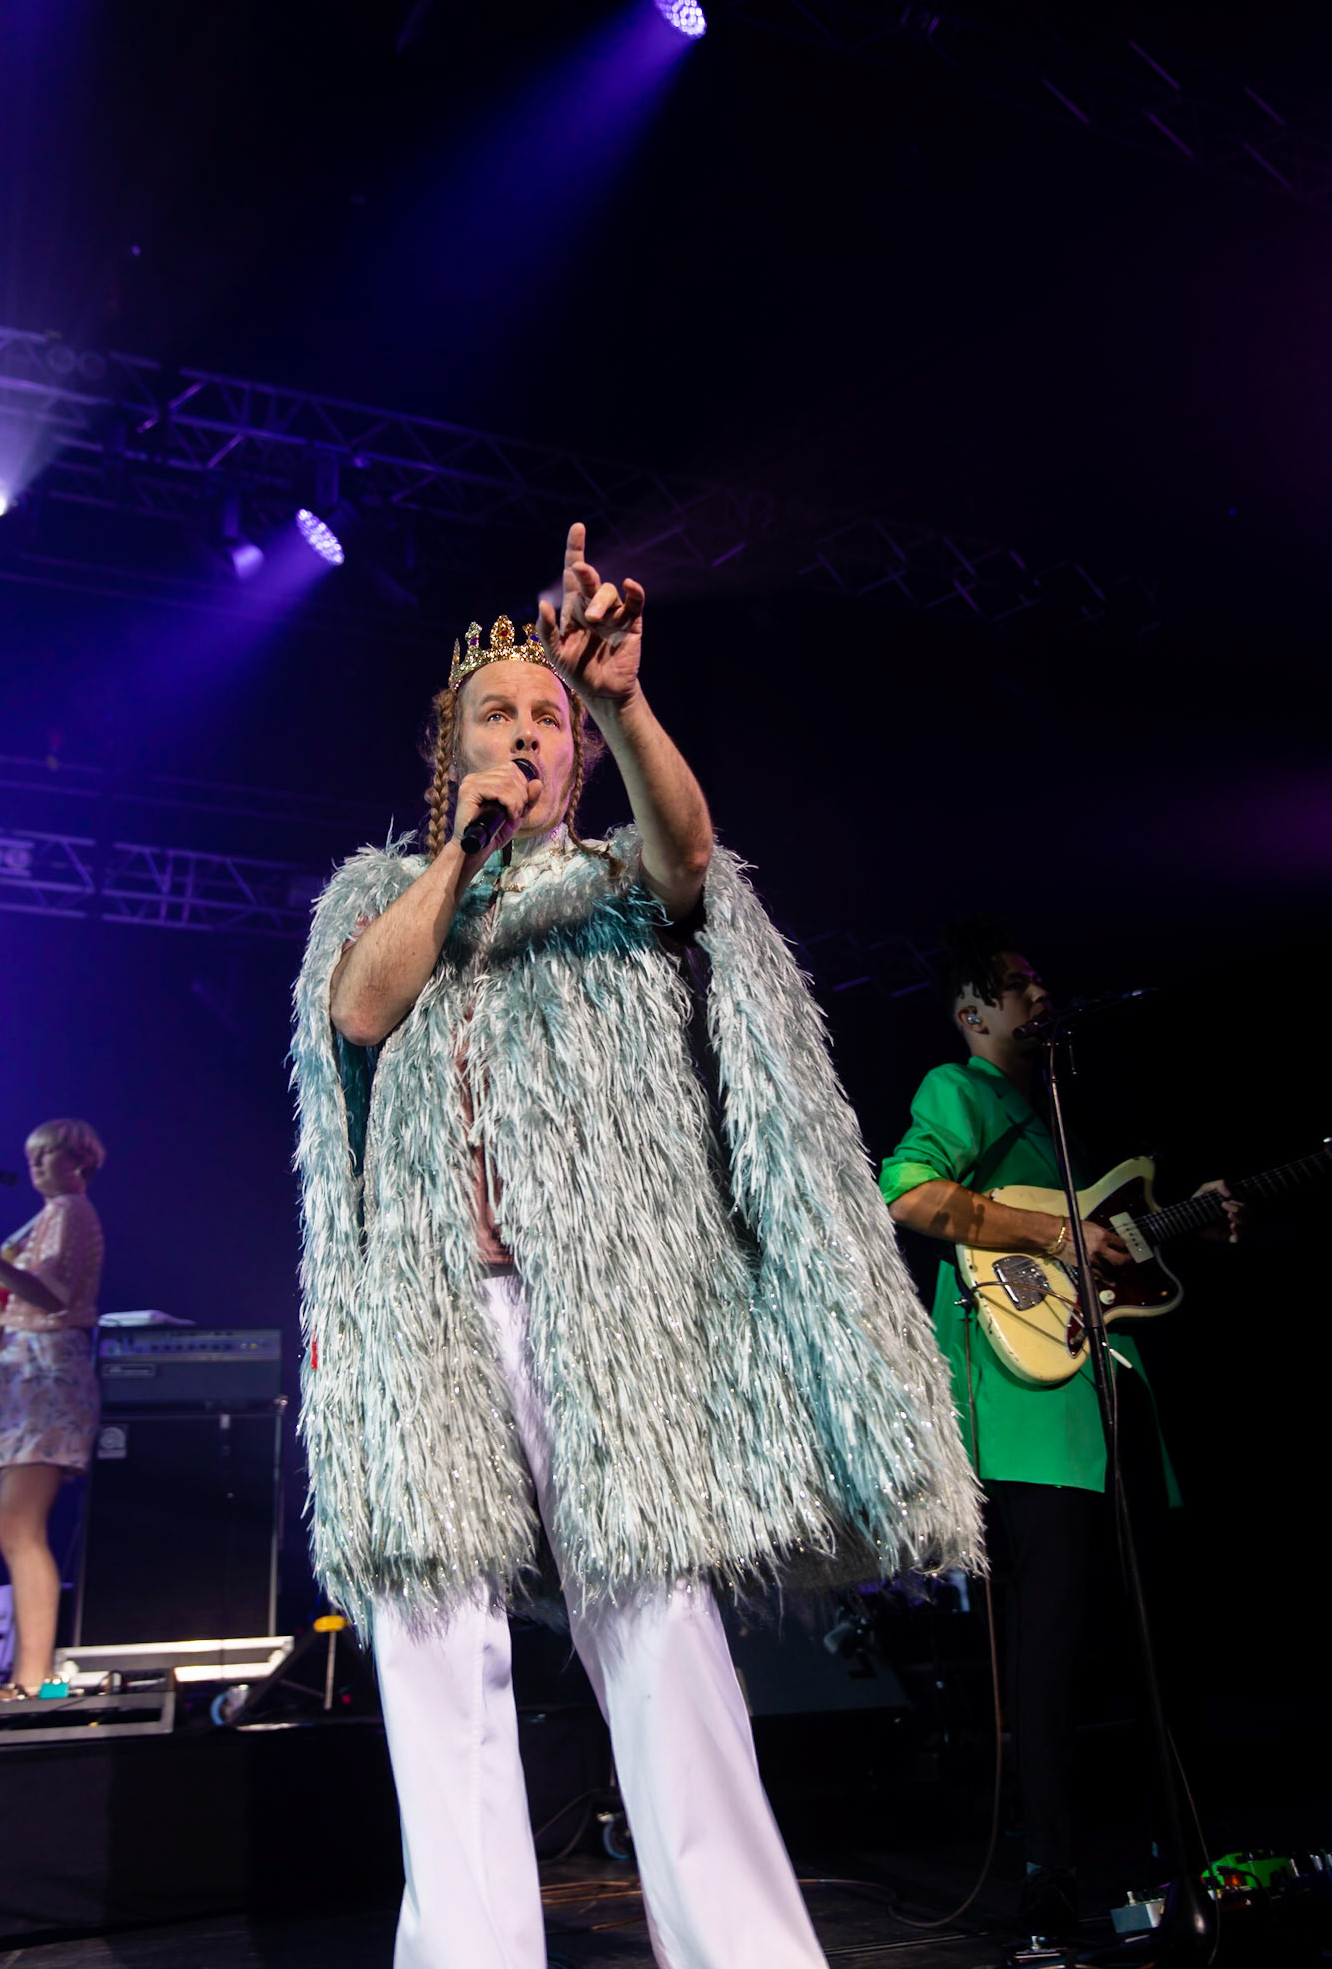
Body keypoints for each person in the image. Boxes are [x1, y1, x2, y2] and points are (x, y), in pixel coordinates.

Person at [292, 521, 981, 1969]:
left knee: (660, 1632)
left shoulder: (614, 889)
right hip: (427, 1327)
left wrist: (619, 696)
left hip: (603, 1317)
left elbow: (692, 868)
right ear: (453, 745)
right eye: (506, 713)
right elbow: (361, 1012)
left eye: (550, 718)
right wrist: (464, 851)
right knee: (430, 1643)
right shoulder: (376, 901)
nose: (531, 734)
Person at [878, 918, 1241, 1942]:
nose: (1041, 998)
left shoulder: (1062, 1117)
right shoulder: (959, 1094)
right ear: (971, 1012)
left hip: (1113, 1404)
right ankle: (1049, 1871)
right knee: (1049, 1653)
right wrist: (1048, 1230)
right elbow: (905, 1188)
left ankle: (1194, 1859)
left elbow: (1114, 1249)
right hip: (1031, 1415)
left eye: (1040, 983)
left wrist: (1191, 1224)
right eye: (1016, 986)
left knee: (1161, 1647)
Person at [0, 1118, 106, 1697]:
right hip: (25, 1380)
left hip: (48, 1377)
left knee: (20, 1528)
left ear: (81, 1164)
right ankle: (32, 1677)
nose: (38, 1165)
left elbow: (47, 1292)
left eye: (51, 1155)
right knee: (15, 1530)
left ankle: (37, 1680)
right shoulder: (44, 1219)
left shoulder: (71, 1214)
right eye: (34, 1156)